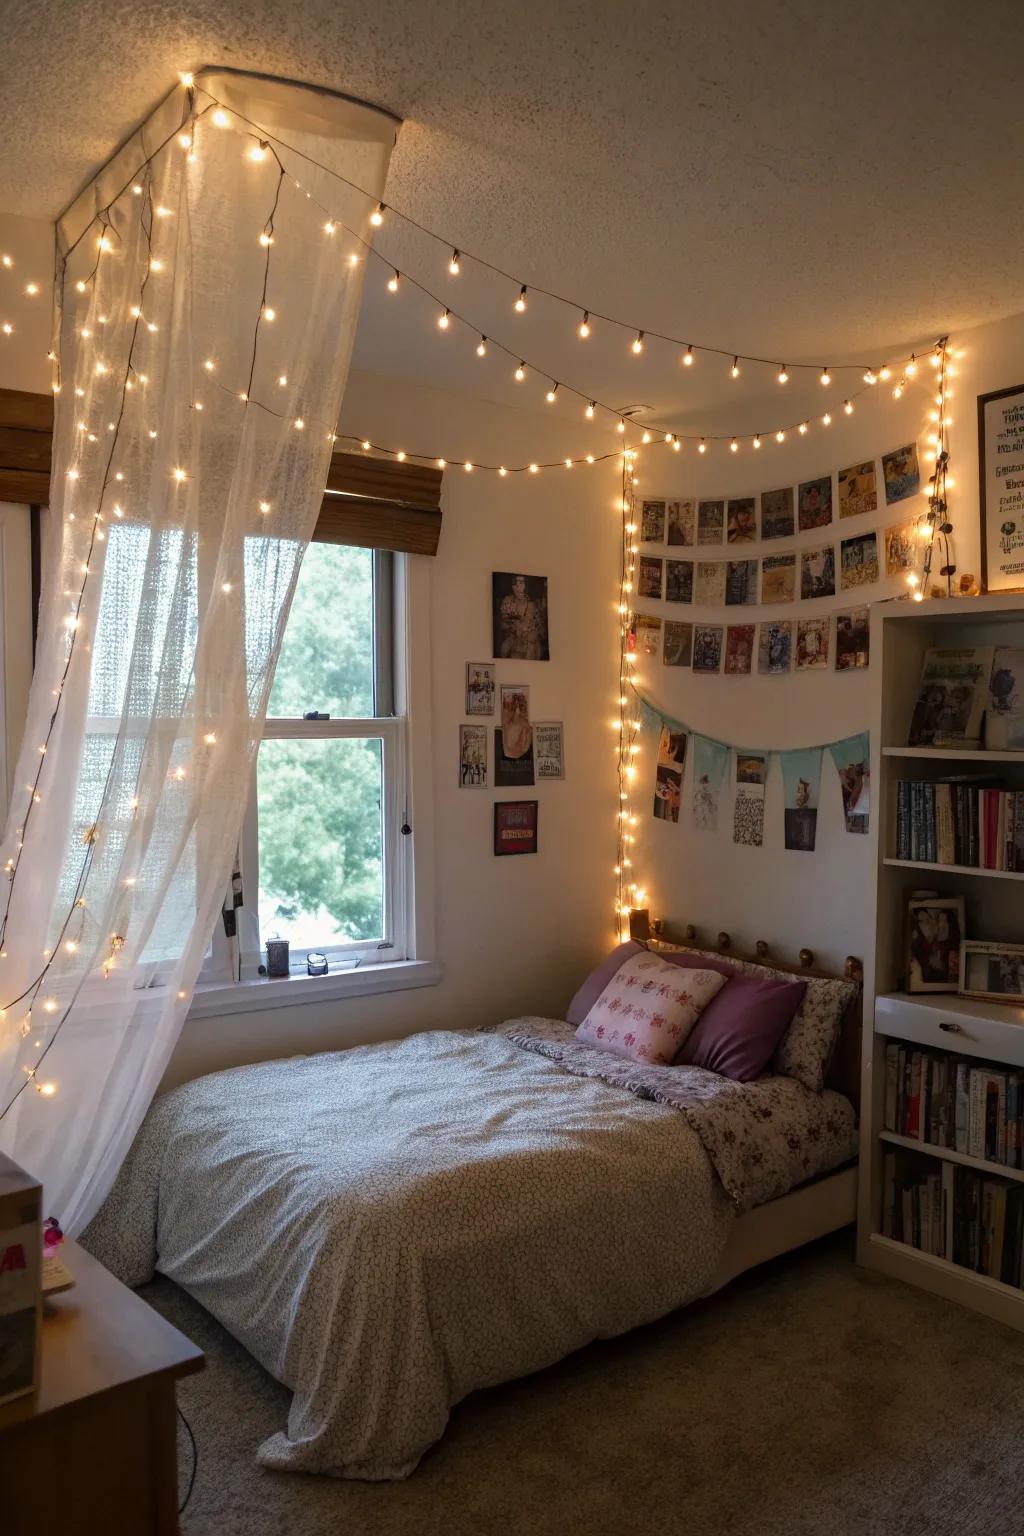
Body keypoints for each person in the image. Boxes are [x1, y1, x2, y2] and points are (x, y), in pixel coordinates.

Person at [498, 575, 546, 660]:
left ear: (526, 585)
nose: (517, 585)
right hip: (513, 640)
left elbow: (538, 628)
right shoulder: (507, 601)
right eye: (514, 583)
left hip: (530, 643)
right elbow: (504, 623)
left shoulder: (532, 605)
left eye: (521, 582)